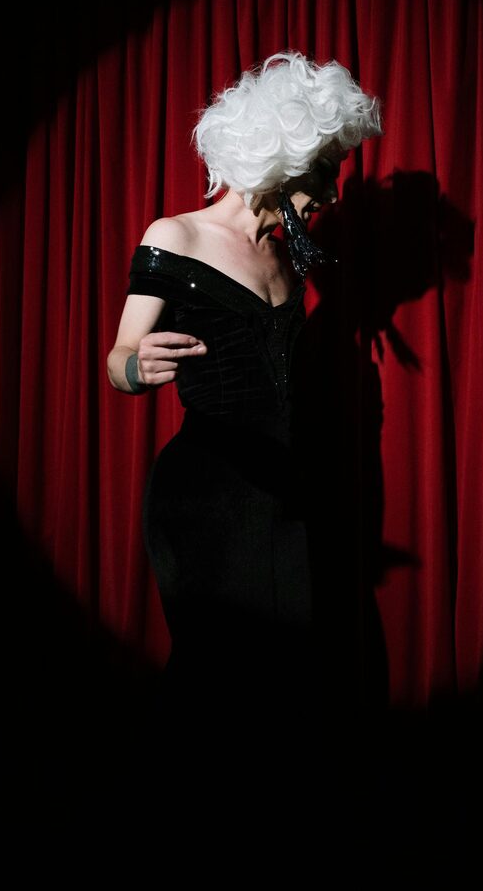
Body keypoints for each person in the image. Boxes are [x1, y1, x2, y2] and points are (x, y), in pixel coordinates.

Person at [106, 50, 381, 812]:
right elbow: (117, 357)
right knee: (217, 681)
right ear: (280, 155)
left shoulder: (291, 260)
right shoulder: (178, 236)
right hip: (206, 499)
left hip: (284, 504)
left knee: (290, 689)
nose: (330, 190)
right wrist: (138, 366)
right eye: (323, 170)